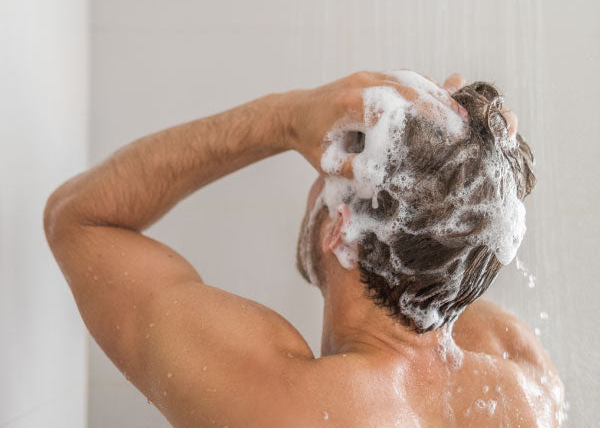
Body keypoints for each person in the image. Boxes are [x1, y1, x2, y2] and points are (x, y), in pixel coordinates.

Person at [44, 70, 564, 427]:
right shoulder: (521, 378)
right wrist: (470, 160)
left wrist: (286, 118)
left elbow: (79, 218)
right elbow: (454, 247)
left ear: (340, 229)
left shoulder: (286, 403)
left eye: (322, 175)